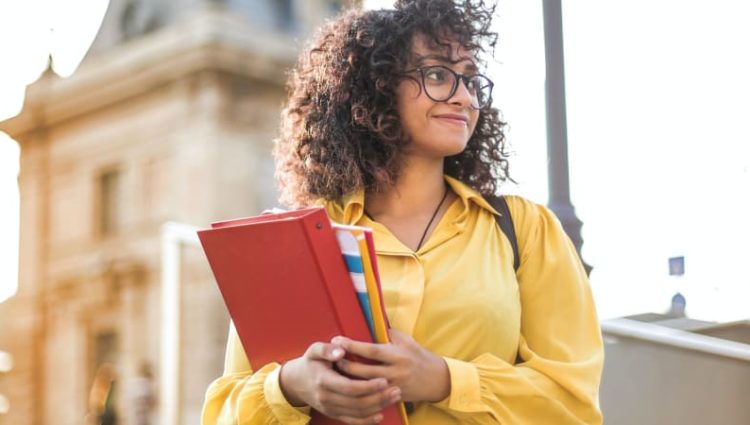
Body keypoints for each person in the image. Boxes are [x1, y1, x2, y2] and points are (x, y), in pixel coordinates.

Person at [202, 1, 603, 424]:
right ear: (376, 88)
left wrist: (443, 380)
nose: (464, 96)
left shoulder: (525, 230)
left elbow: (573, 404)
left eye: (470, 80)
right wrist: (291, 386)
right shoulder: (296, 242)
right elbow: (223, 412)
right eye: (437, 75)